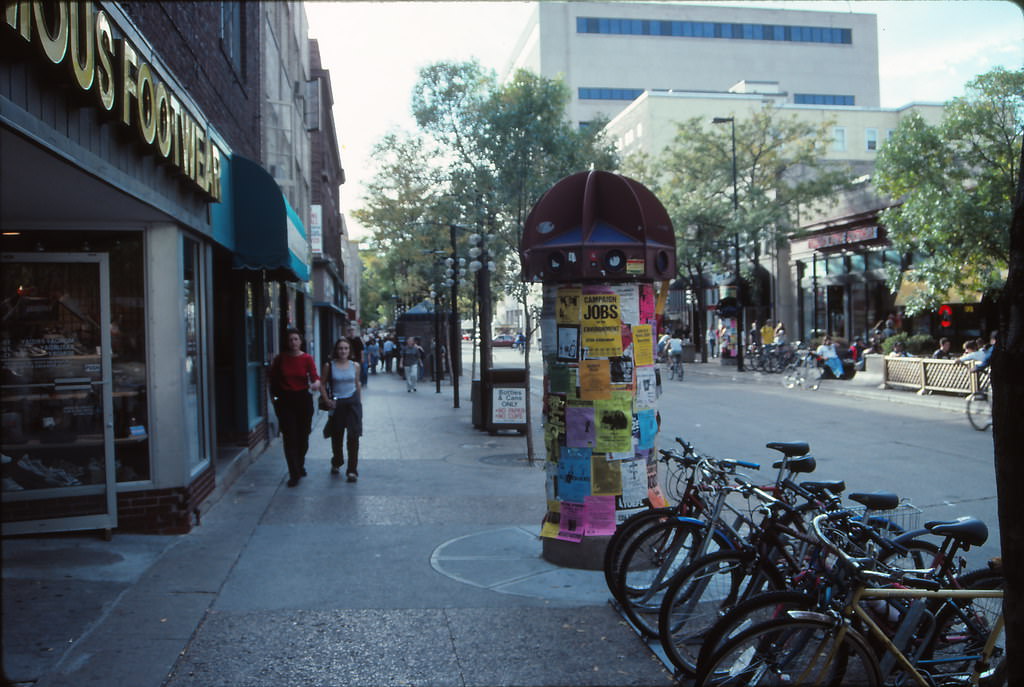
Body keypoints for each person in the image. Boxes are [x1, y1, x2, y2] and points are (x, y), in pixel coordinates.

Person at [268, 328, 320, 487]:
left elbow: (315, 376)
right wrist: (274, 399)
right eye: (290, 340)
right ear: (287, 342)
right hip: (285, 401)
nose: (293, 343)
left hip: (303, 399)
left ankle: (300, 463)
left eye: (296, 339)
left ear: (301, 341)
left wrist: (316, 384)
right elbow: (273, 380)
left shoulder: (307, 358)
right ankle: (294, 472)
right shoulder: (280, 359)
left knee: (303, 436)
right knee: (290, 437)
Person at [320, 338, 362, 482]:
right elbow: (322, 384)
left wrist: (359, 402)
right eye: (340, 348)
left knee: (353, 437)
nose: (343, 351)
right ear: (336, 350)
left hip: (352, 404)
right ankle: (337, 461)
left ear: (349, 351)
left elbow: (357, 383)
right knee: (337, 436)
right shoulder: (329, 366)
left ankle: (352, 470)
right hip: (337, 404)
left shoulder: (355, 365)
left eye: (346, 348)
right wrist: (327, 400)